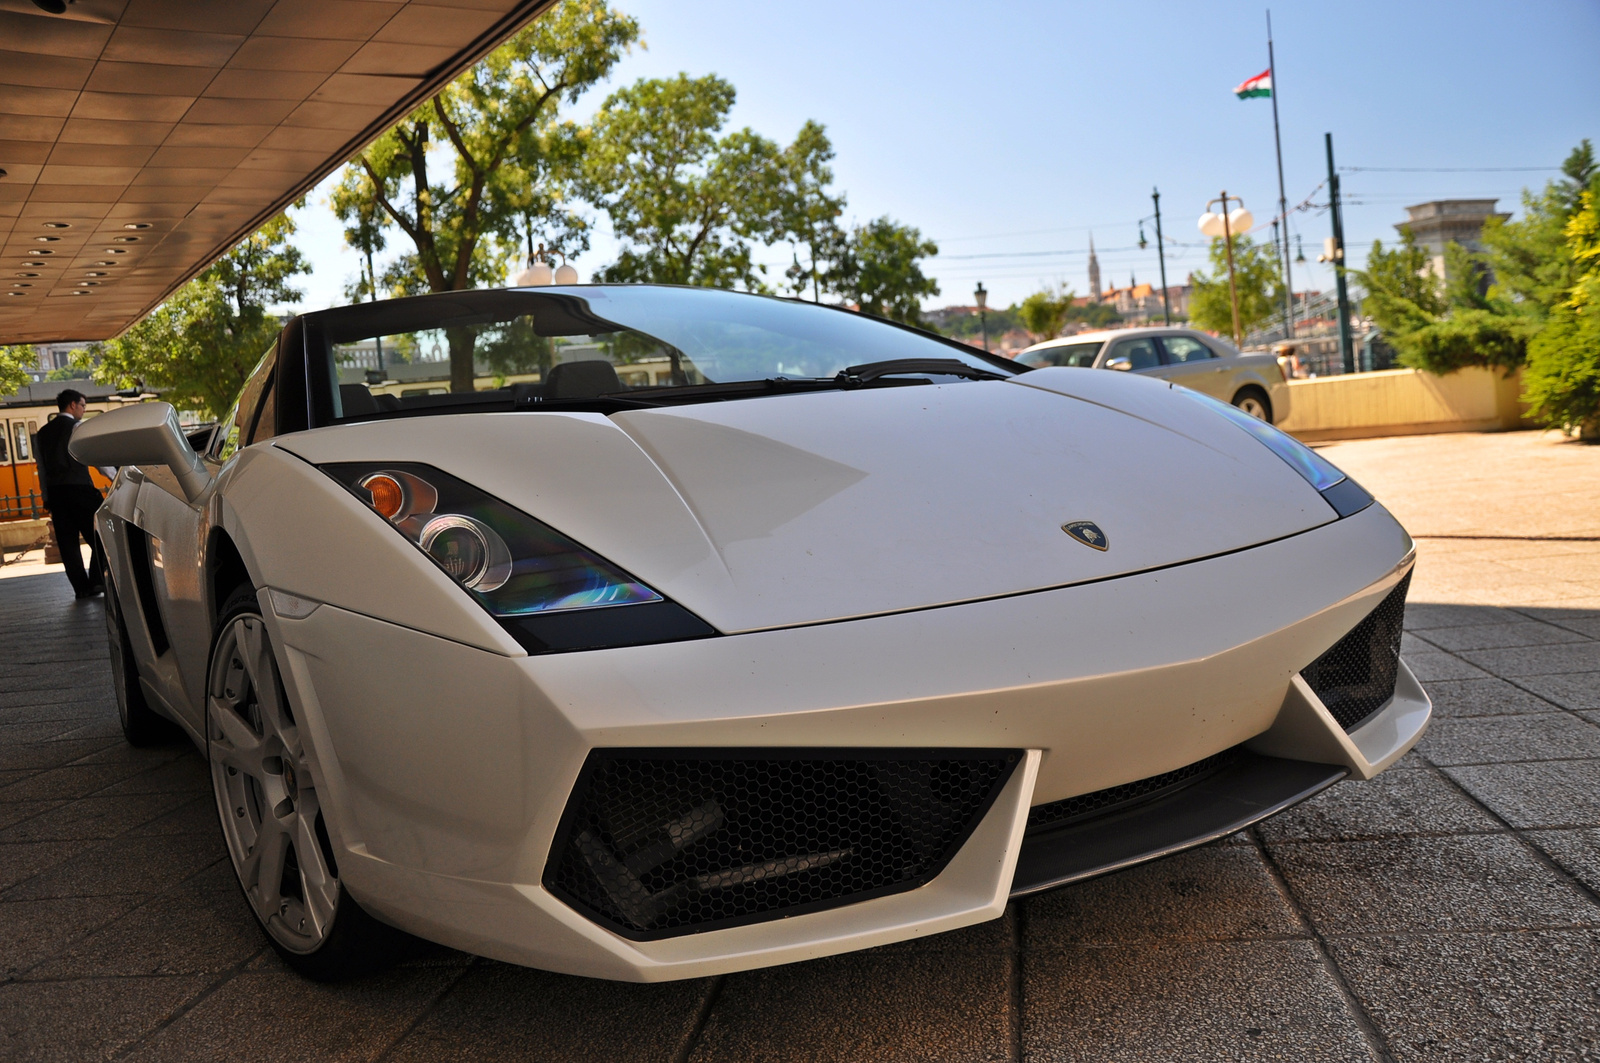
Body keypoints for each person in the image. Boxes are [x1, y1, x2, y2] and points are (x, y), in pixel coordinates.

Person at [34, 388, 106, 599]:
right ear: (73, 405)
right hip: (80, 489)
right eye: (83, 405)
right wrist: (115, 475)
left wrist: (46, 497)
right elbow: (94, 458)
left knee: (68, 545)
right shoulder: (77, 427)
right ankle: (96, 581)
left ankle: (81, 589)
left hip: (56, 494)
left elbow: (42, 468)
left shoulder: (42, 433)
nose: (84, 410)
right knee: (99, 534)